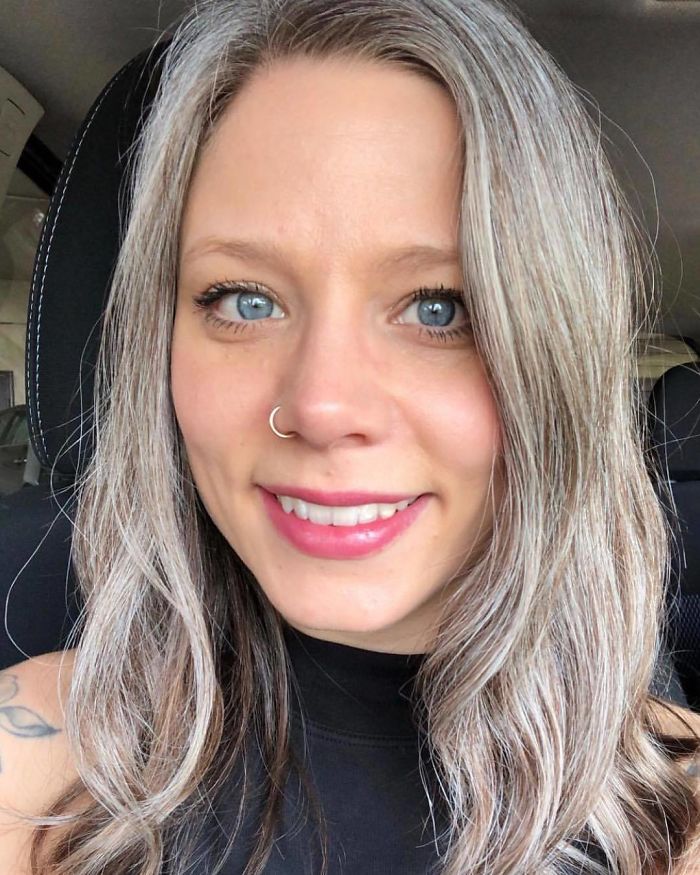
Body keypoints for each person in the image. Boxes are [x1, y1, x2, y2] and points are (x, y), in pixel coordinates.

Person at [0, 0, 699, 872]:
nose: (323, 404)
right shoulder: (28, 772)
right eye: (244, 300)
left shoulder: (678, 818)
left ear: (559, 361)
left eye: (440, 308)